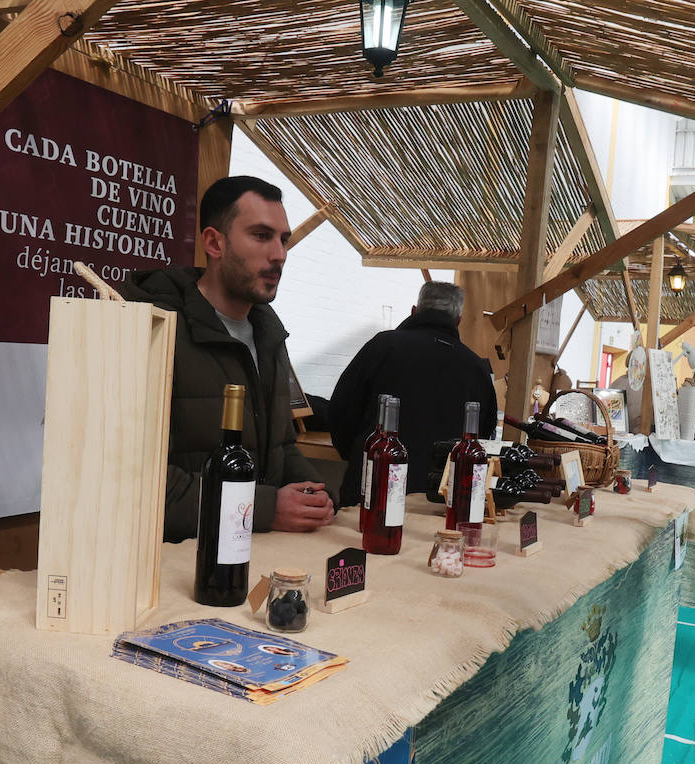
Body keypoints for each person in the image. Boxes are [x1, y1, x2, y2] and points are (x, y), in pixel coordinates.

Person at [121, 175, 335, 542]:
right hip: (172, 566)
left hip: (254, 553)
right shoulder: (152, 328)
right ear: (214, 242)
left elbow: (280, 446)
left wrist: (312, 494)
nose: (280, 254)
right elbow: (132, 481)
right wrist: (265, 508)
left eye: (283, 240)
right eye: (261, 235)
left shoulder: (269, 335)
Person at [328, 281, 496, 504]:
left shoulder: (383, 346)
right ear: (458, 320)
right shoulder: (477, 369)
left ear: (414, 311)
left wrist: (360, 454)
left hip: (373, 487)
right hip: (441, 497)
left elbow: (341, 410)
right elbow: (482, 437)